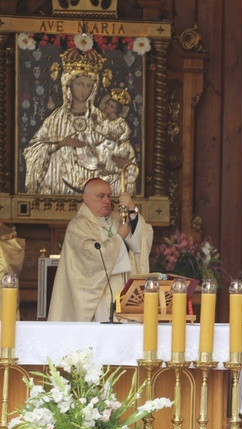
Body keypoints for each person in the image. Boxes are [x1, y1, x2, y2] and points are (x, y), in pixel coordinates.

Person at [23, 48, 134, 195]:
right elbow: (32, 150)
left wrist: (113, 157)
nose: (84, 91)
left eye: (89, 86)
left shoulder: (101, 118)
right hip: (59, 187)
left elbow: (123, 152)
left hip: (96, 187)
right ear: (69, 85)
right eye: (79, 84)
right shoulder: (56, 119)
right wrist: (61, 144)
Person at [48, 178, 153, 322]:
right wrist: (119, 238)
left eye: (109, 196)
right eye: (101, 196)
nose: (107, 201)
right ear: (86, 198)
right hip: (99, 299)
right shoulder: (78, 226)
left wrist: (132, 210)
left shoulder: (117, 219)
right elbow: (93, 259)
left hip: (124, 292)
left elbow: (140, 243)